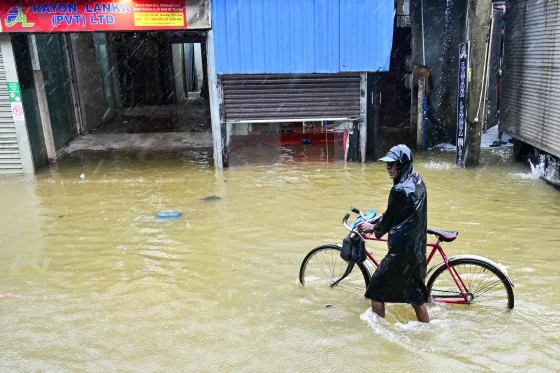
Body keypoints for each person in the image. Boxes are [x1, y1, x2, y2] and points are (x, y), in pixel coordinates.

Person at [358, 144, 430, 323]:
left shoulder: (398, 190)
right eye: (387, 164)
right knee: (416, 298)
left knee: (376, 292)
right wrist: (380, 219)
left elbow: (389, 219)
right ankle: (426, 328)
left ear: (402, 164)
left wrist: (373, 227)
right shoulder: (417, 180)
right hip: (417, 250)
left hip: (401, 252)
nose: (388, 168)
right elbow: (398, 213)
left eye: (393, 164)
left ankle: (378, 334)